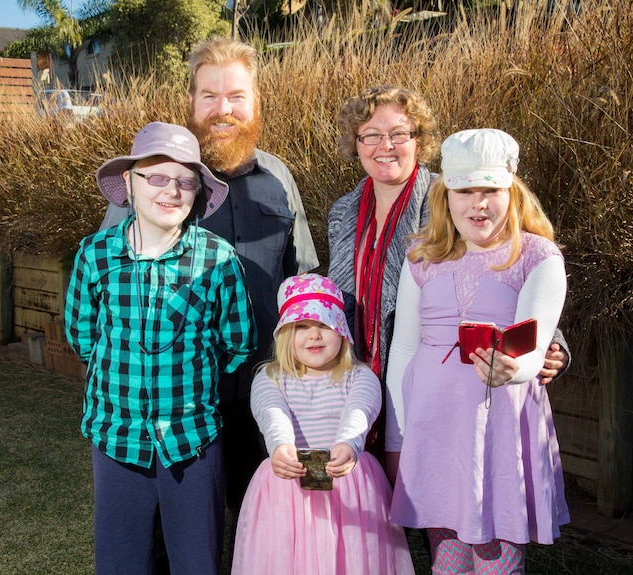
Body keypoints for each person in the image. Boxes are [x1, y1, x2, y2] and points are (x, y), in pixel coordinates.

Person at [101, 38, 319, 516]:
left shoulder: (279, 177)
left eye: (237, 96)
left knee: (260, 520)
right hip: (178, 401)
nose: (224, 110)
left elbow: (302, 281)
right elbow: (109, 284)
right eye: (210, 96)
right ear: (191, 103)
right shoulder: (159, 180)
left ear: (255, 102)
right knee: (176, 536)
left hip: (263, 390)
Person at [327, 86, 569, 462]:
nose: (384, 145)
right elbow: (339, 294)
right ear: (355, 144)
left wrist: (551, 346)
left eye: (398, 134)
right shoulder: (343, 212)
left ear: (419, 141)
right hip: (358, 375)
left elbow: (499, 271)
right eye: (371, 135)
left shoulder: (453, 196)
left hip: (430, 383)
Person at [65, 122, 256, 575]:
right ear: (129, 184)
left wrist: (192, 375)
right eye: (156, 177)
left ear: (196, 194)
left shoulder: (217, 259)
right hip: (117, 438)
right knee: (122, 560)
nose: (171, 190)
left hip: (192, 441)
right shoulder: (96, 255)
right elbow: (83, 336)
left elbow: (236, 341)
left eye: (185, 181)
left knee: (196, 559)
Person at [384, 128, 570, 574]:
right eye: (465, 190)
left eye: (491, 190)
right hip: (433, 427)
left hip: (498, 428)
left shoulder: (536, 257)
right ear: (446, 195)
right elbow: (405, 347)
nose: (477, 203)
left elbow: (533, 342)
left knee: (495, 557)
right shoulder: (421, 256)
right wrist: (401, 433)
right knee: (447, 558)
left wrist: (515, 370)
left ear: (513, 191)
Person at [231, 273, 415, 575]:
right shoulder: (270, 377)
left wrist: (348, 444)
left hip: (349, 485)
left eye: (324, 325)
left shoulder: (360, 376)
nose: (314, 335)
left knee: (351, 559)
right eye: (301, 327)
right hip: (288, 489)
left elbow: (360, 411)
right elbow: (271, 413)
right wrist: (280, 446)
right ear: (285, 334)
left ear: (342, 332)